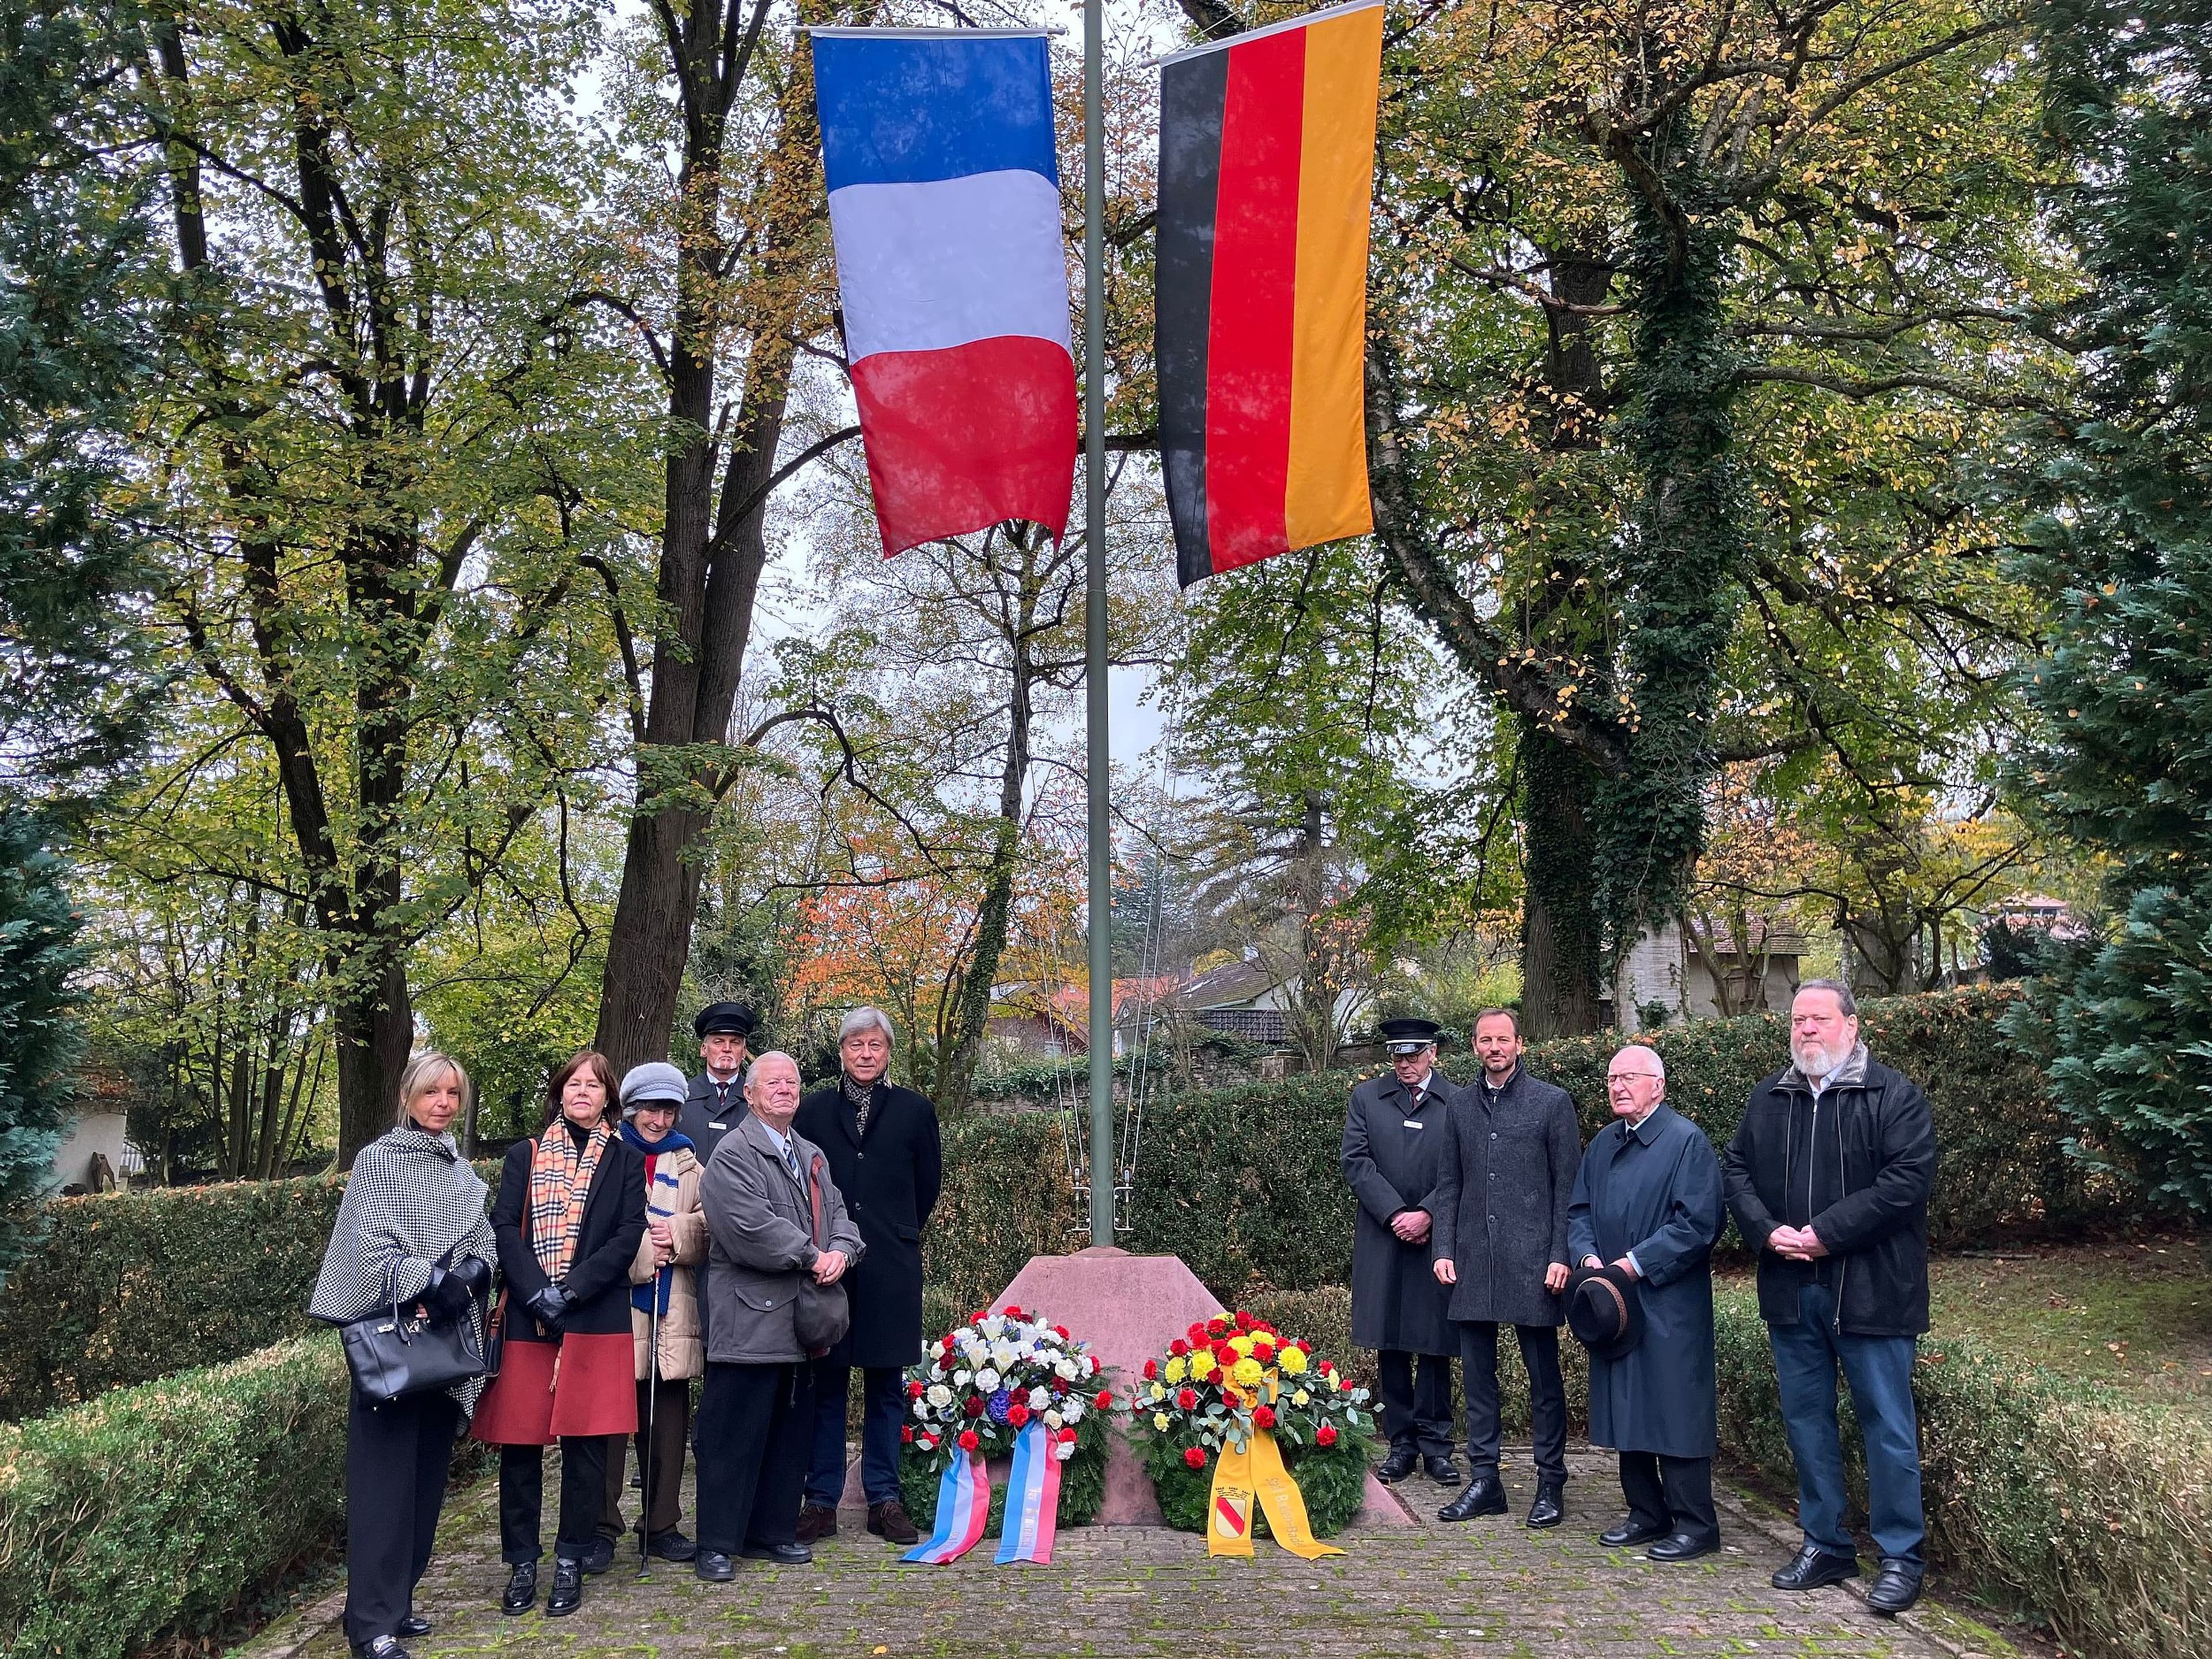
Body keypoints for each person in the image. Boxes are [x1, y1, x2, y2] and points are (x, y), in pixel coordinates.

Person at [1722, 980, 1938, 1616]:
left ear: (1851, 1024)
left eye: (1819, 1019)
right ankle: (1826, 1543)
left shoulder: (1893, 1096)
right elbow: (1735, 1170)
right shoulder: (1771, 1097)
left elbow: (1905, 1184)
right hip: (1793, 1291)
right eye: (1798, 1020)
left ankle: (1901, 1557)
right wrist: (1767, 1232)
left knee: (1888, 1428)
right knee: (1807, 1423)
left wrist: (1826, 1235)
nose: (1806, 1030)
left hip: (1871, 1293)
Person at [310, 1052, 495, 1659]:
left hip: (444, 1344)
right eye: (431, 1092)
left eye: (452, 1093)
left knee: (423, 1486)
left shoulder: (463, 1175)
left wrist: (468, 1275)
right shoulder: (377, 1162)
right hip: (393, 1343)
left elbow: (483, 1240)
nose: (442, 1103)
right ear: (408, 1095)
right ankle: (370, 1626)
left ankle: (400, 1601)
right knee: (381, 1489)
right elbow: (365, 1249)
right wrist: (427, 1280)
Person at [472, 1052, 645, 1619]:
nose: (583, 1092)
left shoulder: (624, 1159)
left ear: (607, 1098)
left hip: (594, 1316)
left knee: (587, 1449)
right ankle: (523, 1562)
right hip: (528, 1316)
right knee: (521, 1448)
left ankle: (571, 1560)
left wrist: (569, 1292)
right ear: (560, 1092)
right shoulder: (524, 1154)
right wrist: (536, 1292)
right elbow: (502, 1226)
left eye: (594, 1085)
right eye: (575, 1083)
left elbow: (627, 1235)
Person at [693, 1051, 863, 1581]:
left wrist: (843, 1251)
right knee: (733, 1436)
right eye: (773, 1082)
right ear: (750, 1093)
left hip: (799, 1321)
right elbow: (749, 1229)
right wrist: (815, 1256)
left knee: (789, 1434)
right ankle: (717, 1543)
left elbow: (840, 1215)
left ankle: (769, 1532)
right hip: (747, 1320)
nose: (785, 1089)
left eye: (792, 1082)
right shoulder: (732, 1154)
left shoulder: (810, 1154)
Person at [1567, 1044, 1727, 1562]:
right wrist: (1587, 1256)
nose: (1617, 1086)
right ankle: (1645, 1512)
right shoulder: (1603, 1144)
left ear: (1657, 1085)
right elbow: (1580, 1210)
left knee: (1674, 1406)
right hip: (1614, 1303)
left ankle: (1696, 1523)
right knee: (1627, 1403)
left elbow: (1698, 1224)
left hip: (1668, 1301)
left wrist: (1634, 1263)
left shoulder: (1685, 1142)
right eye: (1612, 1078)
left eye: (1629, 1077)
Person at [793, 1008, 942, 1546]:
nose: (865, 1054)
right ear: (841, 1051)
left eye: (875, 1045)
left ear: (888, 1052)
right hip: (828, 1266)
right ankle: (821, 1500)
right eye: (855, 1045)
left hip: (890, 1265)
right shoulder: (811, 1112)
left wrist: (897, 1230)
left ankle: (884, 1498)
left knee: (886, 1387)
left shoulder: (914, 1110)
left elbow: (927, 1185)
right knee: (827, 1382)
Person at [1430, 1007, 1581, 1527]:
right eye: (1484, 1040)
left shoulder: (1552, 1103)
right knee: (1478, 1380)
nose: (1494, 1048)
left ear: (1520, 1044)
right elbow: (1449, 1183)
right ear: (1473, 1046)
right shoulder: (1459, 1107)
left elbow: (1569, 1190)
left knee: (1545, 1380)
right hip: (1472, 1261)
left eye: (1503, 1039)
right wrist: (1443, 1248)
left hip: (1535, 1263)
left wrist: (1561, 1254)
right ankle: (1486, 1481)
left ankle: (1550, 1483)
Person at [594, 1061, 709, 1566]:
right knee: (608, 1423)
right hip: (617, 1308)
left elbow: (712, 1225)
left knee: (665, 1421)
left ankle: (661, 1522)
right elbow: (591, 1229)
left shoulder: (689, 1163)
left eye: (668, 1111)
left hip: (671, 1311)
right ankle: (599, 1526)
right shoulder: (606, 1156)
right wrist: (643, 1250)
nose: (659, 1121)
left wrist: (678, 1235)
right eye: (650, 1111)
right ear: (632, 1110)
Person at [1342, 1016, 1460, 1488]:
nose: (1406, 1065)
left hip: (1438, 1236)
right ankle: (1401, 1444)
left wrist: (1428, 1213)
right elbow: (1356, 1160)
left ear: (1433, 1053)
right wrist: (1395, 1214)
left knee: (1434, 1344)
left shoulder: (1458, 1101)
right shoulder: (1367, 1097)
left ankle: (1437, 1447)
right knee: (1390, 1341)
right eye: (1398, 1056)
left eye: (1414, 1055)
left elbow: (1463, 1166)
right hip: (1384, 1234)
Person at [680, 1001, 757, 1165]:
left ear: (744, 1052)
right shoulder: (681, 1097)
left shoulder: (758, 1100)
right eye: (719, 1042)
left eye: (735, 1042)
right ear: (704, 1049)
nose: (727, 1048)